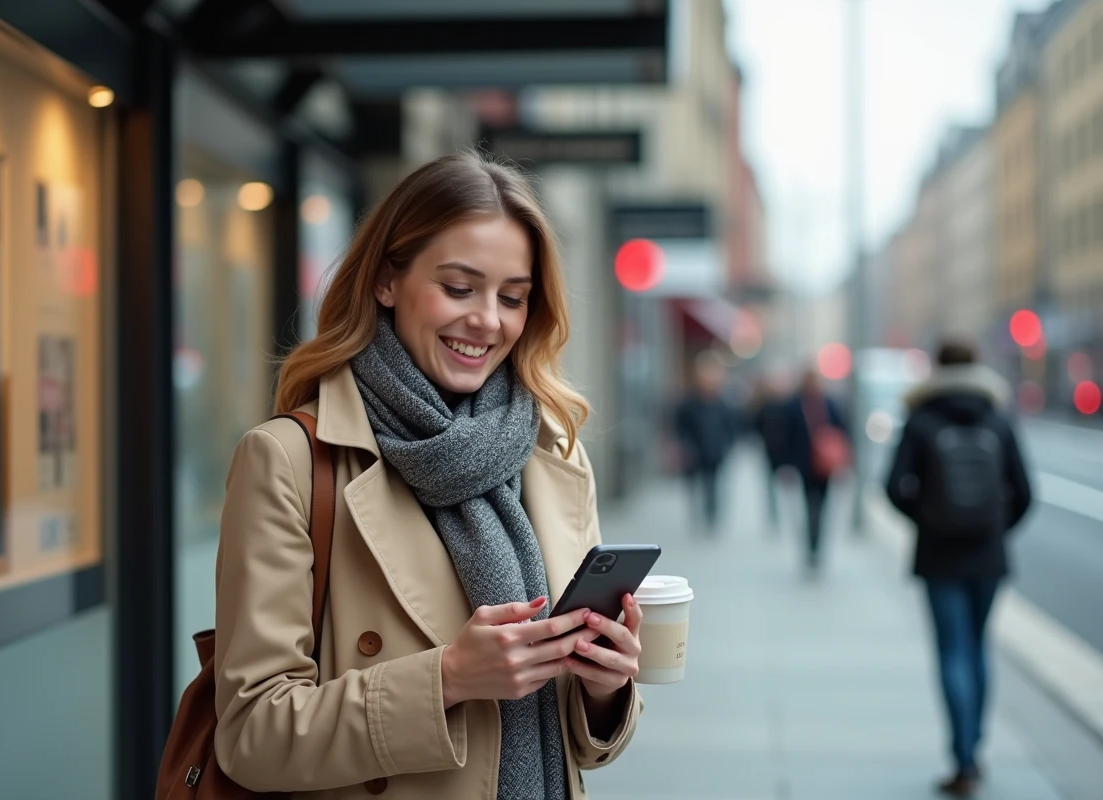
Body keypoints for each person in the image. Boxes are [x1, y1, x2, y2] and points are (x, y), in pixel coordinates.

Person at [213, 153, 643, 799]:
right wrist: (445, 678)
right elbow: (252, 735)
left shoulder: (552, 454)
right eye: (459, 287)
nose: (488, 321)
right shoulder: (290, 462)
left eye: (513, 298)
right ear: (387, 280)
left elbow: (581, 744)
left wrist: (604, 686)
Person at [885, 340, 1032, 798]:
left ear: (937, 367)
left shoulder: (922, 418)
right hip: (988, 556)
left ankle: (962, 760)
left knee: (952, 652)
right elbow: (1025, 492)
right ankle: (976, 748)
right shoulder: (998, 416)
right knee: (977, 648)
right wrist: (994, 528)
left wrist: (927, 520)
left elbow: (893, 487)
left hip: (939, 555)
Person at [782, 368, 848, 572]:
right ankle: (812, 544)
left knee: (822, 507)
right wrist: (787, 464)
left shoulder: (829, 404)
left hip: (825, 465)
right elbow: (787, 436)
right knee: (811, 506)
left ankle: (816, 544)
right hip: (805, 465)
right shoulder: (794, 405)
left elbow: (841, 430)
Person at [673, 354, 738, 532]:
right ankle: (697, 516)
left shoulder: (722, 403)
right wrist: (683, 445)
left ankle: (711, 515)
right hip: (694, 452)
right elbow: (679, 426)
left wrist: (727, 444)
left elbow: (730, 426)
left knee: (713, 485)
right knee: (693, 486)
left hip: (715, 452)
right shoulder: (688, 403)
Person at [749, 372, 791, 529]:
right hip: (770, 450)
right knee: (771, 483)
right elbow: (757, 425)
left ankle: (781, 512)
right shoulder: (765, 406)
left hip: (783, 451)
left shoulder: (787, 406)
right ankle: (774, 513)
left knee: (784, 483)